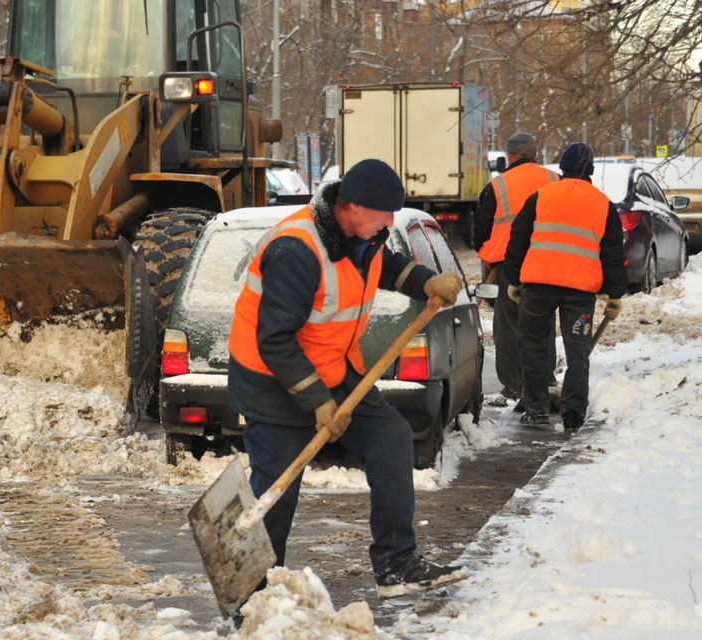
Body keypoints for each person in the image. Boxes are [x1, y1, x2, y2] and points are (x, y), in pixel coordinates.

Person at [227, 158, 468, 599]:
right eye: (383, 214)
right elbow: (275, 340)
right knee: (279, 489)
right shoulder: (295, 249)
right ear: (351, 206)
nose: (390, 223)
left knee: (390, 437)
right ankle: (256, 595)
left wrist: (427, 282)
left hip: (333, 370)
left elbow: (386, 265)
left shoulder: (364, 235)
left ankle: (397, 563)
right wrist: (317, 401)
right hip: (273, 383)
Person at [503, 143, 626, 430]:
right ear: (591, 170)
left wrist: (513, 279)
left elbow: (517, 239)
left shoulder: (541, 196)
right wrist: (615, 295)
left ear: (562, 167)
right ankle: (573, 416)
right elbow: (613, 255)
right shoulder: (603, 204)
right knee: (577, 352)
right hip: (580, 293)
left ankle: (536, 410)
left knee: (532, 346)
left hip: (537, 288)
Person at [474, 132, 559, 404]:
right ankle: (544, 379)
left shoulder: (497, 186)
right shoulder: (554, 180)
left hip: (507, 267)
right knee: (541, 322)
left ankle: (514, 384)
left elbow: (480, 235)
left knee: (509, 326)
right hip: (546, 264)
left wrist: (492, 255)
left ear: (509, 156)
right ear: (535, 154)